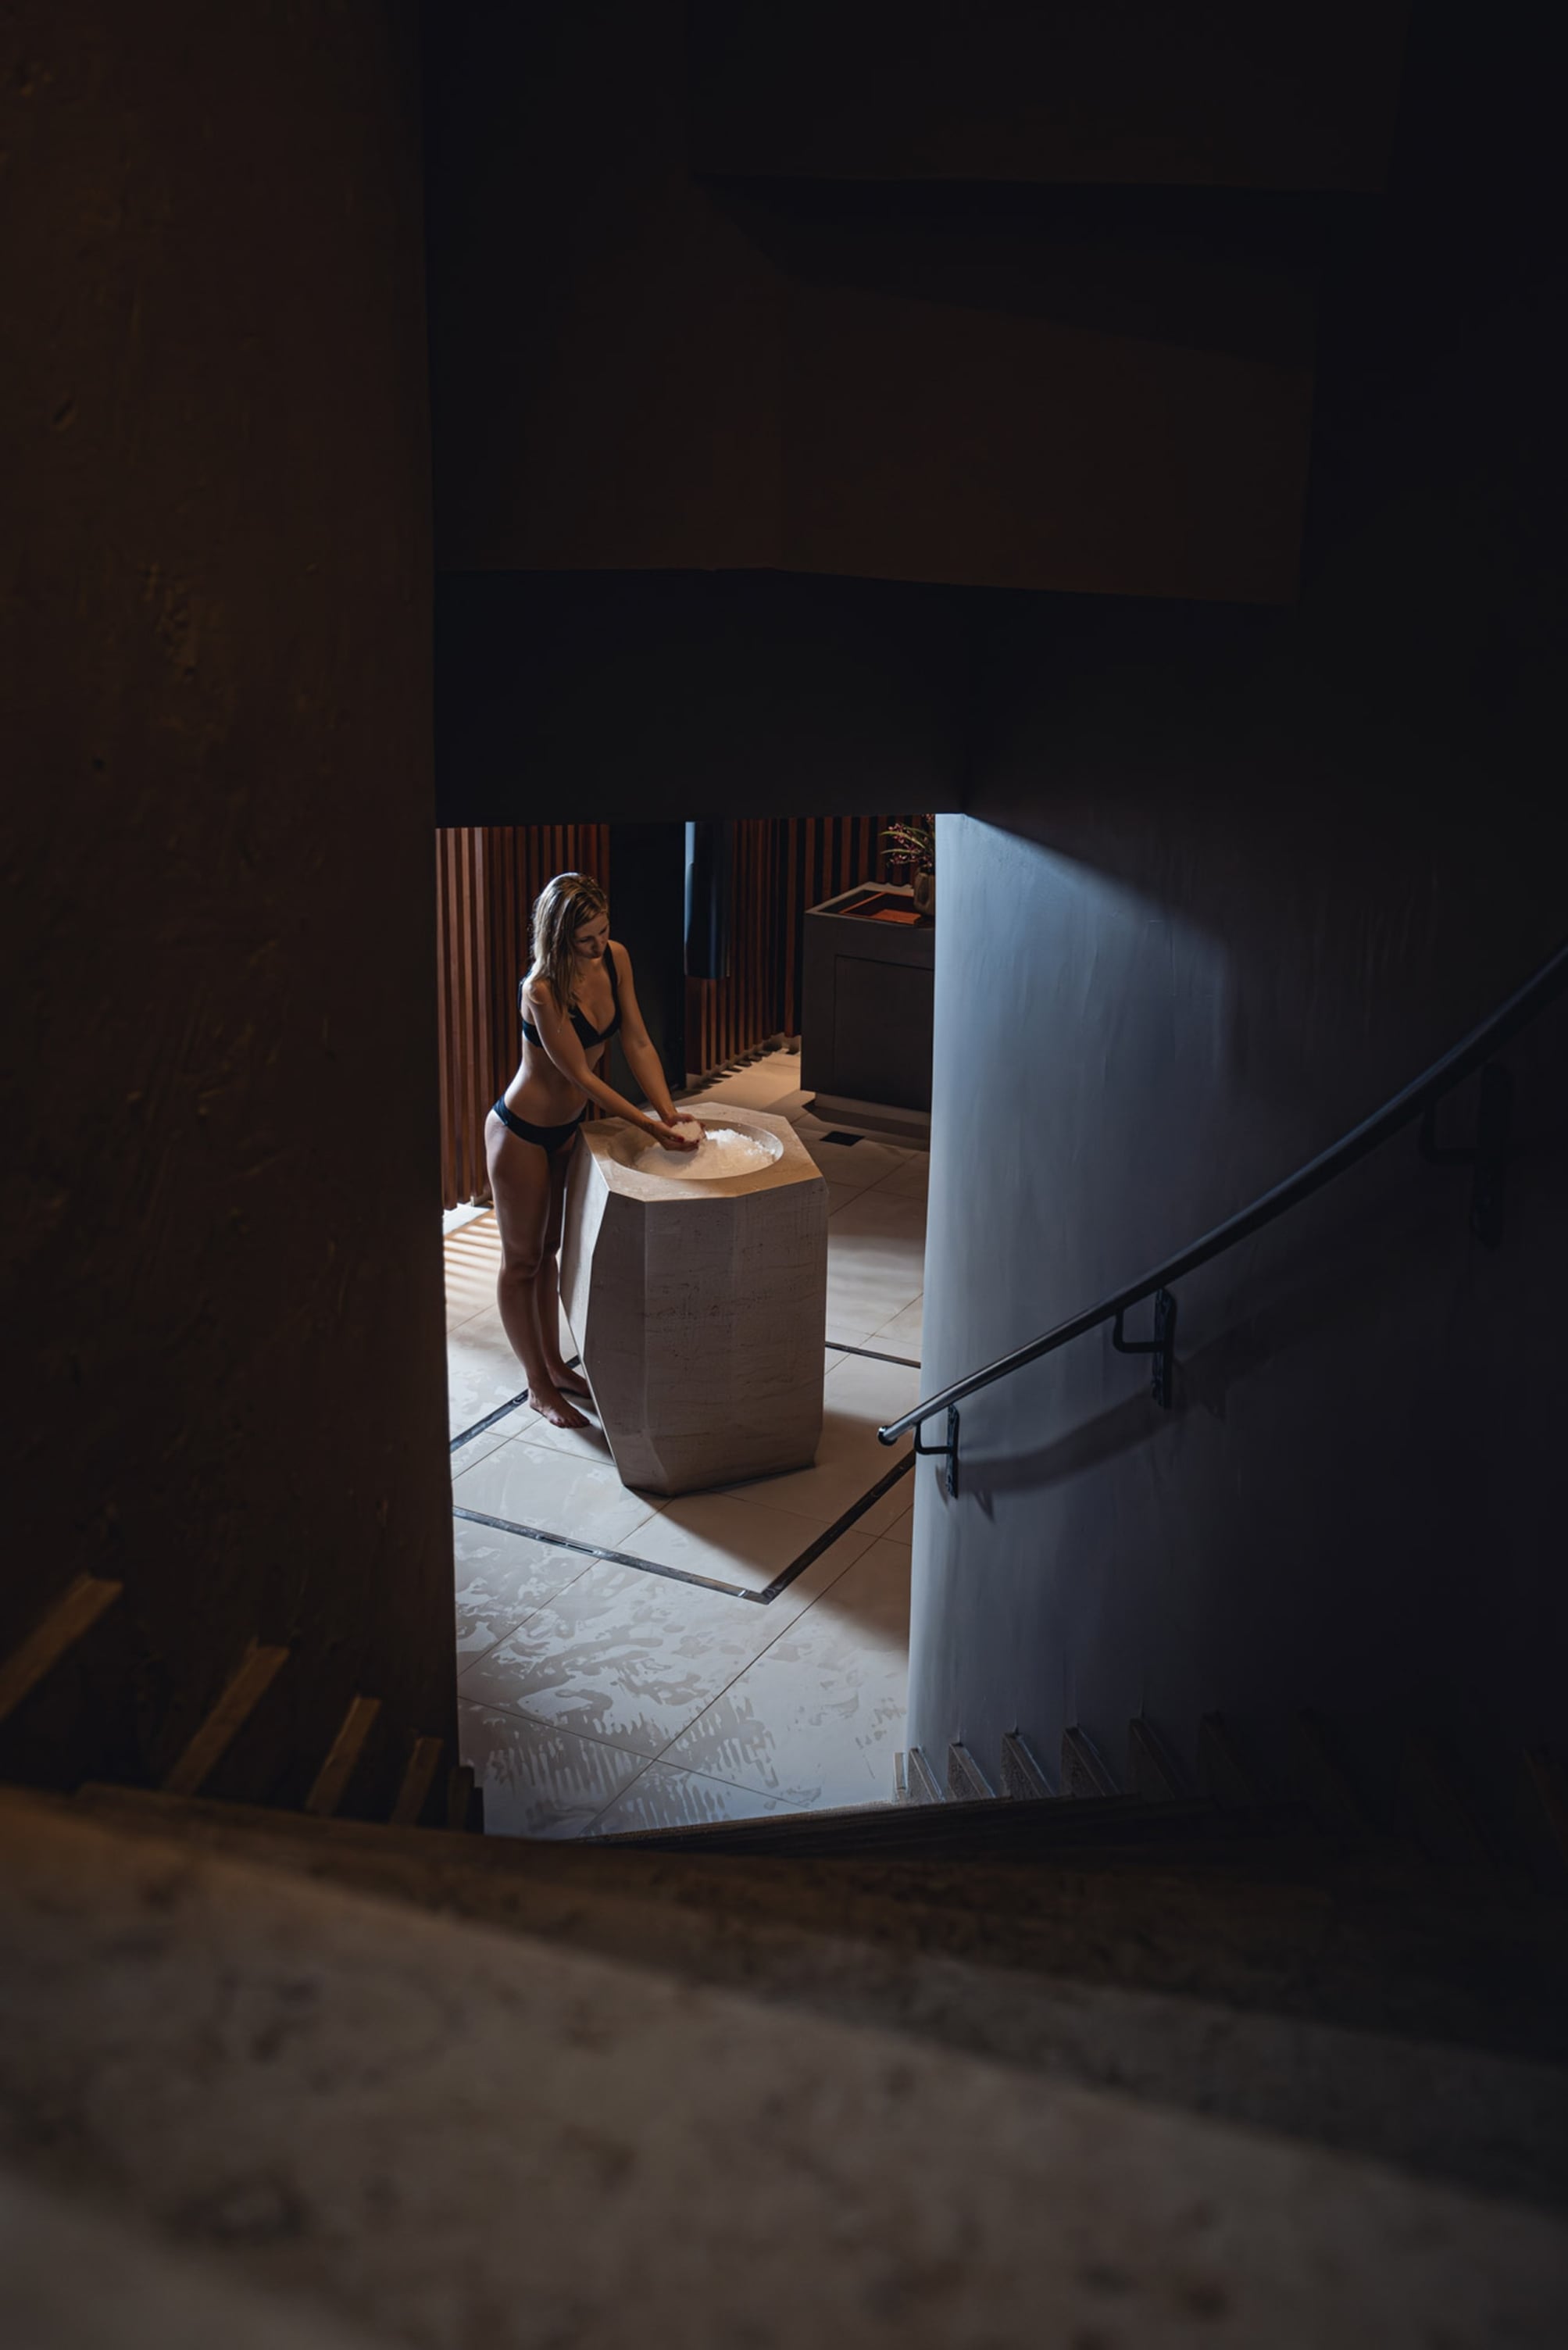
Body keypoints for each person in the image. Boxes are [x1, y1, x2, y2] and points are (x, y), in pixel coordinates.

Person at [485, 871, 696, 1429]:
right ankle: (537, 1385)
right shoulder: (541, 990)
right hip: (521, 1133)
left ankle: (554, 1364)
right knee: (522, 1259)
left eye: (604, 932)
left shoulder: (616, 959)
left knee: (551, 1249)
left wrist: (667, 1112)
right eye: (587, 939)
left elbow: (637, 1040)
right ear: (558, 937)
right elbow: (580, 1075)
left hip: (567, 1131)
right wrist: (650, 1129)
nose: (599, 945)